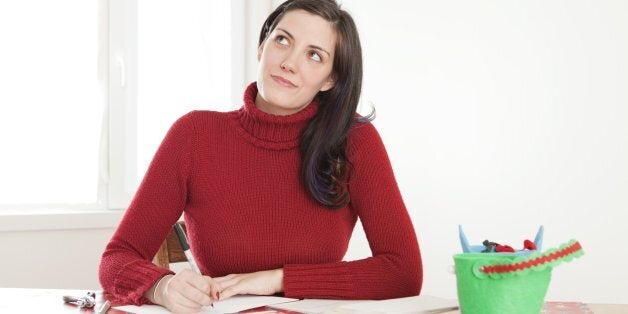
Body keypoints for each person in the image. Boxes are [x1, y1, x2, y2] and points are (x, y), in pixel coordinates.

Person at [99, 0, 422, 312]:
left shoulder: (354, 140)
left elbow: (403, 272)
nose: (289, 62)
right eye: (282, 40)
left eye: (314, 55)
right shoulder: (194, 135)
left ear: (331, 79)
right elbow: (117, 258)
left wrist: (277, 279)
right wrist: (162, 287)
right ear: (261, 46)